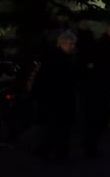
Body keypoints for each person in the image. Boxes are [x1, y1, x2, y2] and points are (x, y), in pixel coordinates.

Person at [79, 20, 110, 157]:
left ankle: (90, 145)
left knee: (100, 115)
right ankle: (90, 146)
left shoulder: (107, 44)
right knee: (98, 115)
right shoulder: (103, 45)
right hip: (99, 86)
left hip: (102, 85)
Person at [33, 30, 78, 162]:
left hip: (53, 99)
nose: (73, 47)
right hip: (58, 99)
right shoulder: (60, 60)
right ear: (63, 43)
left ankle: (47, 151)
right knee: (60, 128)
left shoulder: (52, 57)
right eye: (71, 44)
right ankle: (59, 154)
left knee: (53, 128)